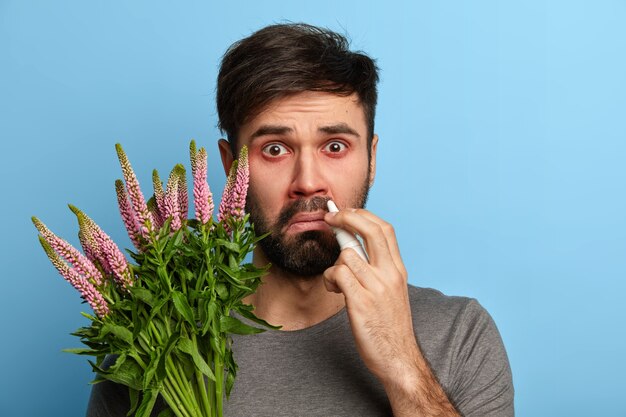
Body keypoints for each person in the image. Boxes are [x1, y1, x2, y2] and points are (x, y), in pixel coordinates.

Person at [87, 23, 514, 417]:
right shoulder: (150, 350)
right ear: (230, 166)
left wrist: (401, 361)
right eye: (275, 149)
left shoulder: (459, 333)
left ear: (372, 159)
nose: (308, 183)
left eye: (335, 147)